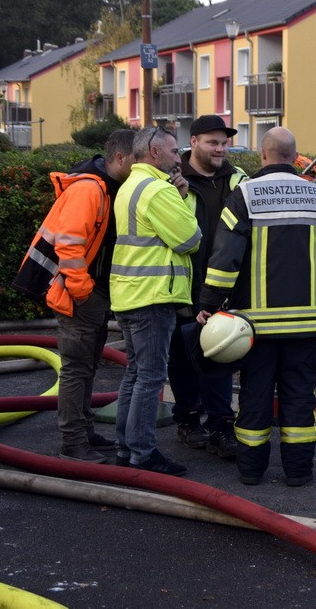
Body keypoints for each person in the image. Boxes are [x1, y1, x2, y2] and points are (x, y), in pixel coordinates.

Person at [198, 126, 316, 486]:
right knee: (300, 397)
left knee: (254, 395)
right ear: (294, 155)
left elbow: (225, 260)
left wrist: (209, 303)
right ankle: (299, 472)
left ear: (263, 155)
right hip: (304, 325)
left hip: (256, 327)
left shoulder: (244, 196)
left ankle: (251, 472)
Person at [13, 130, 135, 463]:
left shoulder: (107, 187)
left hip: (91, 293)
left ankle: (84, 431)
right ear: (121, 158)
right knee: (76, 369)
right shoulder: (88, 189)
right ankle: (73, 441)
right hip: (78, 294)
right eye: (137, 158)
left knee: (86, 367)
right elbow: (69, 244)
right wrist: (83, 293)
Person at [111, 126, 201, 475]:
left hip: (129, 295)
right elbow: (190, 238)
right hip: (152, 297)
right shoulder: (158, 190)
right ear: (154, 153)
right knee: (149, 378)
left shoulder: (129, 186)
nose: (180, 159)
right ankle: (143, 454)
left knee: (135, 374)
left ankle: (125, 449)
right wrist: (181, 198)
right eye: (175, 152)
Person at [168, 115, 247, 459]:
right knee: (181, 356)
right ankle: (187, 419)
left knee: (218, 353)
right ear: (194, 142)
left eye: (224, 143)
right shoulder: (172, 181)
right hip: (183, 284)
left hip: (223, 284)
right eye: (213, 142)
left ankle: (220, 425)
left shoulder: (239, 179)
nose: (220, 149)